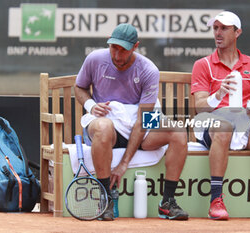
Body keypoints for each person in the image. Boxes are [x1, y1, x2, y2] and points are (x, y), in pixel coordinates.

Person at [75, 23, 189, 221]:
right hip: (106, 123)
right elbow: (79, 87)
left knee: (179, 132)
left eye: (124, 50)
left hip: (140, 121)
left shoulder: (149, 70)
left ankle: (167, 202)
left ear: (135, 46)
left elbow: (143, 121)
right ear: (108, 43)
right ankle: (105, 199)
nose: (118, 56)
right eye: (114, 48)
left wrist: (123, 164)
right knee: (103, 126)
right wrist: (91, 105)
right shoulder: (94, 59)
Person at [191, 11, 250, 221]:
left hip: (246, 123)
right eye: (215, 28)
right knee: (223, 126)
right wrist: (218, 95)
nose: (218, 33)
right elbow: (199, 107)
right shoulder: (203, 65)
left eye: (224, 28)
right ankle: (215, 200)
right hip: (213, 123)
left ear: (238, 32)